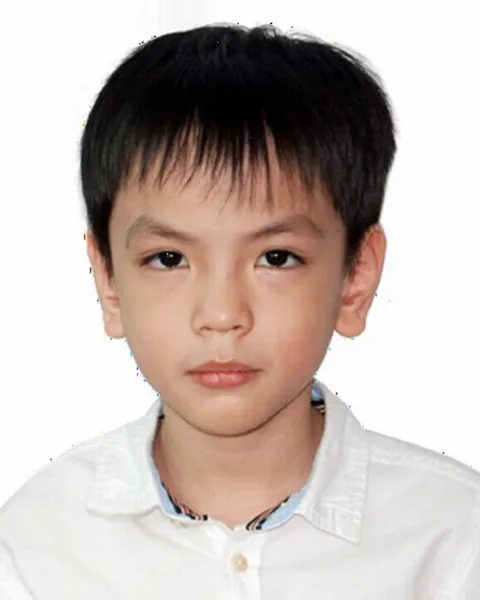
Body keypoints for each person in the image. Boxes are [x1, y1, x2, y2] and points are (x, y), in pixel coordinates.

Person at [1, 22, 479, 600]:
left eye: (276, 257)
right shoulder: (36, 545)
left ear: (355, 278)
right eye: (169, 258)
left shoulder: (454, 541)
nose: (222, 314)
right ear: (108, 281)